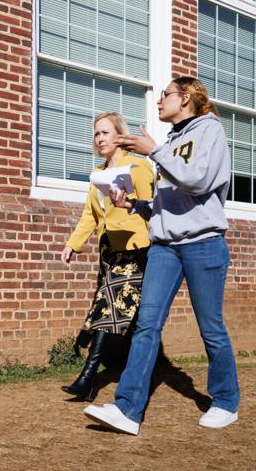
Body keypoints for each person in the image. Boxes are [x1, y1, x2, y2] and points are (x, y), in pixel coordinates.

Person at [83, 76, 240, 435]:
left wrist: (153, 150)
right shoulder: (171, 142)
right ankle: (127, 409)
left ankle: (226, 401)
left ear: (185, 98)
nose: (158, 102)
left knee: (211, 327)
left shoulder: (210, 132)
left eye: (165, 95)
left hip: (203, 243)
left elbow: (198, 181)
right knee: (146, 324)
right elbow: (168, 203)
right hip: (166, 247)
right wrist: (137, 205)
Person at [60, 111, 155, 401]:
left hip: (134, 249)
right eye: (96, 133)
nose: (100, 138)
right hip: (109, 251)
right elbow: (90, 215)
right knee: (114, 308)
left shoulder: (138, 167)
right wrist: (72, 244)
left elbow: (152, 208)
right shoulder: (98, 173)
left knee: (111, 307)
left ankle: (88, 377)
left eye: (105, 132)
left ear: (119, 135)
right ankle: (119, 373)